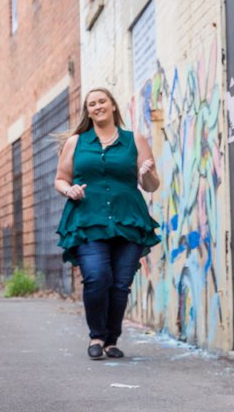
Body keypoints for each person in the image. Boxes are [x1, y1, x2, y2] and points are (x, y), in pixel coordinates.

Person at [55, 87, 161, 360]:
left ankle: (112, 339)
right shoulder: (76, 143)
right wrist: (69, 190)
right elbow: (61, 178)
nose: (97, 106)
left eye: (102, 101)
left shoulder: (133, 140)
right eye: (92, 104)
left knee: (120, 283)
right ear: (87, 111)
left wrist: (146, 173)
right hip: (88, 220)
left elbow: (151, 185)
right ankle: (97, 336)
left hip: (128, 220)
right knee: (97, 277)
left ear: (113, 105)